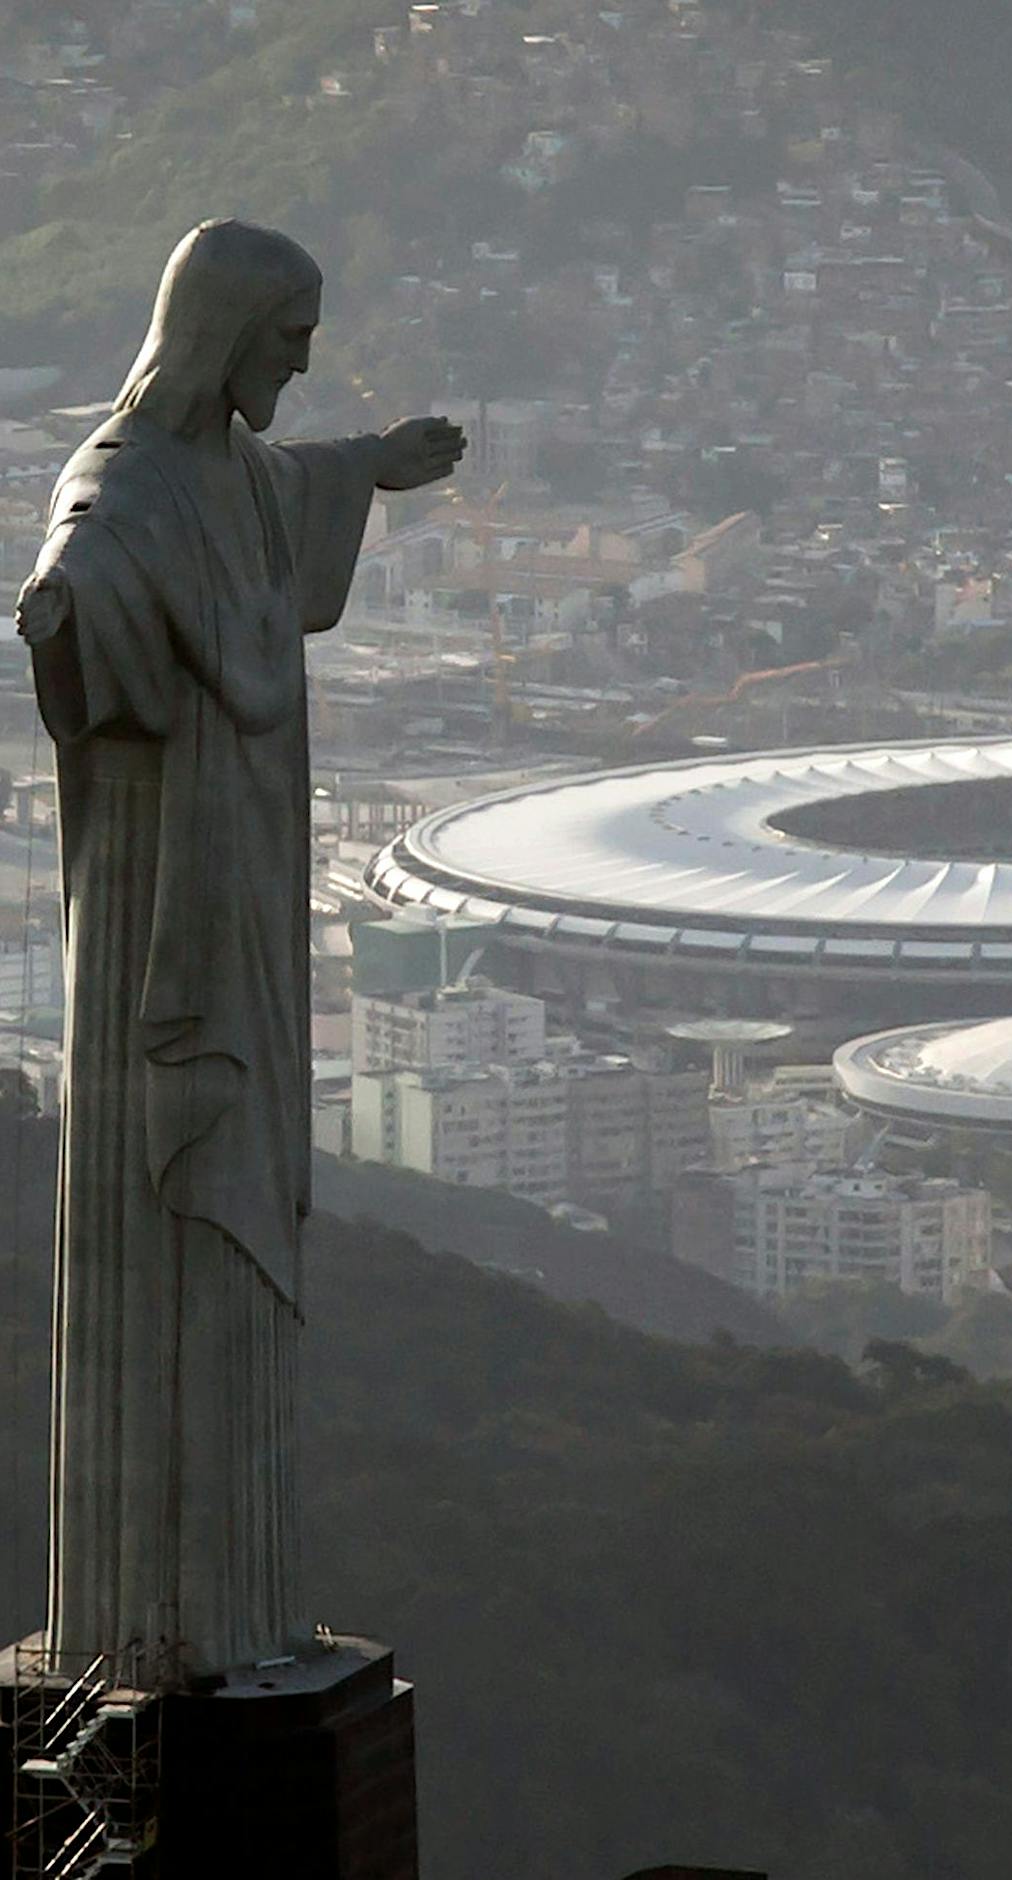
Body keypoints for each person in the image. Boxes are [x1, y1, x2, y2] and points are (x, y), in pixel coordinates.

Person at [12, 220, 463, 1676]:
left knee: (246, 1212)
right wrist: (63, 609)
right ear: (220, 336)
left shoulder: (229, 474)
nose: (303, 362)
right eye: (286, 340)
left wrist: (366, 466)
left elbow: (278, 487)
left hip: (245, 883)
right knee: (166, 1221)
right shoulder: (126, 488)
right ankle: (156, 1625)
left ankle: (234, 1610)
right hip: (160, 895)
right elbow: (87, 564)